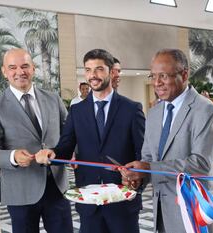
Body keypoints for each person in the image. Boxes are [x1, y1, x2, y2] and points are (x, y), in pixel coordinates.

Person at [35, 49, 145, 233]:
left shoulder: (132, 109)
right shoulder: (77, 110)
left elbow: (143, 153)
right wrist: (52, 154)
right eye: (88, 70)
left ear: (111, 72)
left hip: (122, 200)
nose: (92, 75)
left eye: (99, 69)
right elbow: (65, 146)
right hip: (88, 201)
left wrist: (137, 179)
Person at [120, 48, 213, 233]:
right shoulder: (153, 113)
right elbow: (147, 158)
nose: (157, 83)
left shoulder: (205, 110)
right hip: (162, 211)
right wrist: (138, 177)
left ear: (184, 75)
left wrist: (149, 168)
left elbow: (200, 164)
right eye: (153, 76)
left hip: (195, 210)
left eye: (164, 76)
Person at [0, 48, 73, 232]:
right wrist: (13, 157)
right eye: (13, 67)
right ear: (4, 71)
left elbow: (70, 135)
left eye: (25, 66)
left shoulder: (53, 99)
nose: (20, 72)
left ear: (33, 68)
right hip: (20, 191)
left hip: (57, 188)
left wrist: (72, 153)